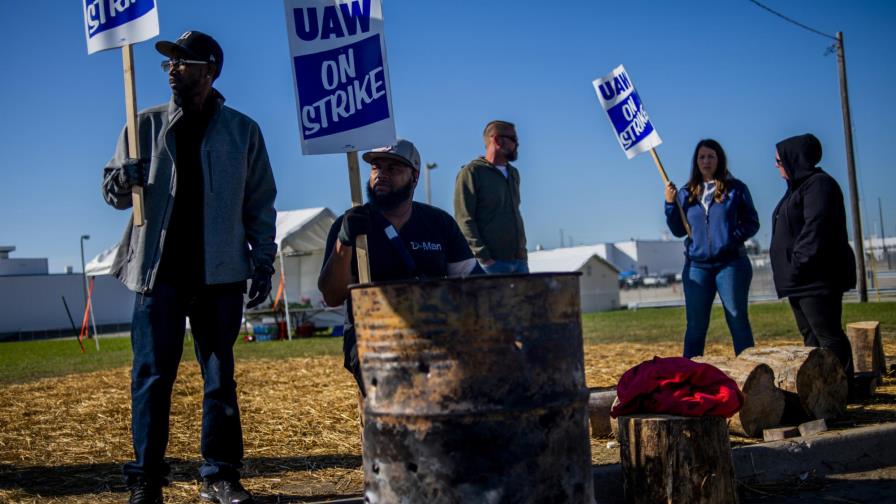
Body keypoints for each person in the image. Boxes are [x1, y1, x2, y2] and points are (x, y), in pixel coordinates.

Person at [101, 31, 276, 504]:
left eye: (183, 62)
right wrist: (122, 180)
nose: (173, 69)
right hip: (157, 273)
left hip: (221, 275)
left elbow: (260, 201)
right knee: (152, 377)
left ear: (210, 70)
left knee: (219, 379)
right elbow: (112, 193)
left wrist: (263, 259)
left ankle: (219, 476)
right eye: (169, 63)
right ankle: (146, 481)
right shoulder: (143, 123)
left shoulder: (243, 131)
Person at [318, 139, 480, 392]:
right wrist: (344, 242)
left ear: (415, 176)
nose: (381, 174)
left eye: (393, 168)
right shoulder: (348, 225)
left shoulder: (439, 223)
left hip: (432, 330)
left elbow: (473, 282)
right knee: (396, 388)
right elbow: (331, 296)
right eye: (376, 167)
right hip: (372, 336)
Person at [770, 133, 856, 390]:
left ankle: (843, 388)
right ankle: (821, 390)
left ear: (795, 159)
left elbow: (816, 228)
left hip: (815, 277)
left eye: (779, 160)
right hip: (799, 281)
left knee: (827, 335)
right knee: (810, 337)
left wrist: (797, 263)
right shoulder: (797, 188)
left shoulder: (819, 185)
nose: (776, 165)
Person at [665, 139, 760, 358]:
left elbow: (751, 222)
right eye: (701, 157)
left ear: (719, 159)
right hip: (697, 267)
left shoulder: (736, 188)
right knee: (695, 326)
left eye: (711, 156)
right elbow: (678, 230)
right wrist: (670, 203)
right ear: (695, 161)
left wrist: (730, 239)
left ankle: (750, 372)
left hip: (731, 264)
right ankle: (689, 374)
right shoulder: (685, 193)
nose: (706, 161)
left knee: (737, 320)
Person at [454, 120, 528, 274]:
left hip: (519, 263)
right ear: (497, 140)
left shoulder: (513, 174)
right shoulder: (471, 173)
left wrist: (522, 255)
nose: (517, 144)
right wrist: (484, 257)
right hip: (491, 265)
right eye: (513, 139)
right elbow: (464, 219)